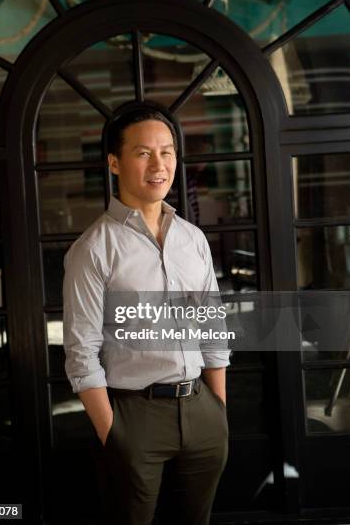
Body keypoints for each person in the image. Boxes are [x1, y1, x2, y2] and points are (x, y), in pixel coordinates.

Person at [63, 107, 230, 525]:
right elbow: (81, 353)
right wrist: (113, 434)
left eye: (167, 151)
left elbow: (213, 327)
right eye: (143, 153)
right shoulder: (94, 248)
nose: (159, 165)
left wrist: (218, 411)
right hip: (134, 415)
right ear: (115, 162)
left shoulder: (193, 239)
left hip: (201, 409)